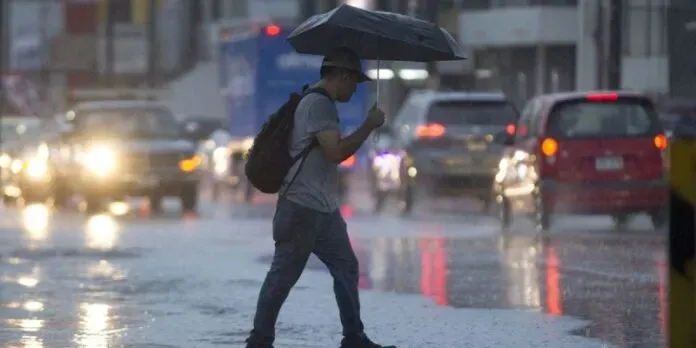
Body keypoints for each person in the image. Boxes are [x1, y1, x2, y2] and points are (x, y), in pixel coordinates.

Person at [245, 47, 395, 348]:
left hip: (322, 209)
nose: (355, 89)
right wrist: (369, 125)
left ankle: (354, 337)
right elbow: (335, 151)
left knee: (346, 267)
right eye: (354, 82)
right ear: (341, 76)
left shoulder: (319, 102)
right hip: (301, 207)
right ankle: (259, 340)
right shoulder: (318, 105)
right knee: (283, 276)